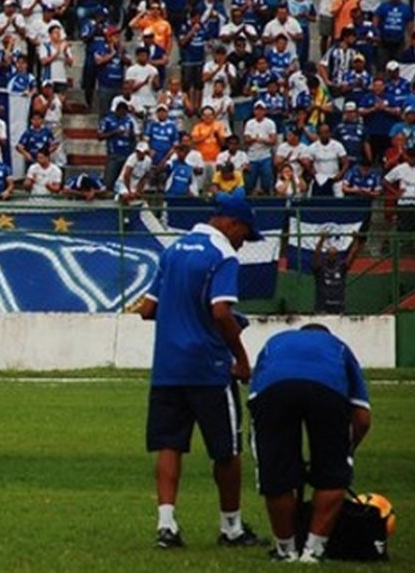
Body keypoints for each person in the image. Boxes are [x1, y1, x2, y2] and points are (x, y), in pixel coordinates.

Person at [138, 194, 263, 550]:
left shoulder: (172, 251)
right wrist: (240, 357)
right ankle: (232, 528)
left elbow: (147, 309)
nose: (244, 241)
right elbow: (221, 311)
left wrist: (182, 314)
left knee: (169, 445)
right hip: (208, 367)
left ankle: (166, 525)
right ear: (231, 223)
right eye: (245, 233)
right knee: (226, 450)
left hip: (167, 366)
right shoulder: (223, 254)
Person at [248, 325, 372, 563]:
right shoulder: (340, 348)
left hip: (274, 391)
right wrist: (344, 452)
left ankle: (285, 550)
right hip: (327, 391)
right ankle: (313, 551)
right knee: (332, 474)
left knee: (277, 476)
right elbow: (362, 417)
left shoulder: (275, 342)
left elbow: (255, 399)